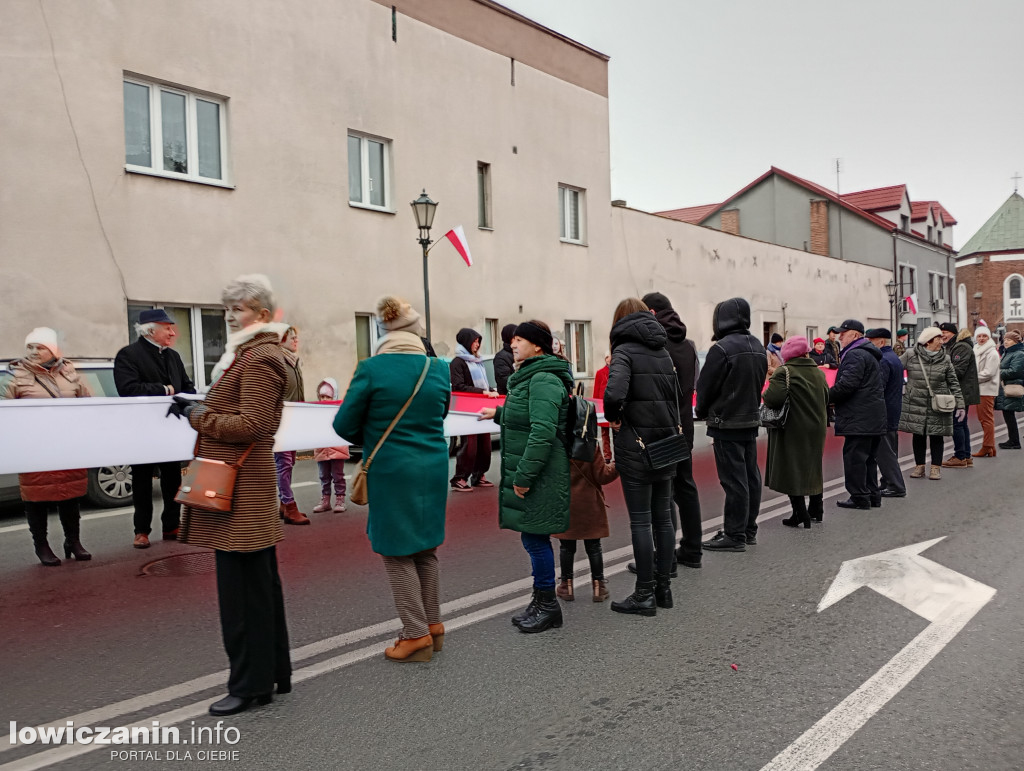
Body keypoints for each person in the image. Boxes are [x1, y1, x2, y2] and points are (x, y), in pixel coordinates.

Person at [169, 275, 293, 716]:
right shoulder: (253, 354)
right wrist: (200, 405)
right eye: (227, 310)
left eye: (237, 309)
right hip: (245, 486)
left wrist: (197, 414)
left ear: (261, 314)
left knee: (242, 594)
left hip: (241, 489)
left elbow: (254, 426)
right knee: (258, 587)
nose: (229, 317)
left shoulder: (258, 358)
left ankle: (250, 686)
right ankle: (273, 673)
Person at [333, 296, 451, 661]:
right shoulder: (439, 368)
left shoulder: (372, 369)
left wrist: (373, 429)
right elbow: (441, 412)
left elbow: (344, 426)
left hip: (391, 469)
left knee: (395, 551)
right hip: (432, 466)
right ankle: (433, 625)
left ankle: (415, 635)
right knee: (425, 548)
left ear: (384, 332)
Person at [478, 321, 573, 634]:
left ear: (538, 346)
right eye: (513, 339)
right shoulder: (530, 376)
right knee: (532, 536)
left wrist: (524, 476)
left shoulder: (543, 378)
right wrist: (498, 414)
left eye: (520, 340)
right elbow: (526, 416)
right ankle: (541, 599)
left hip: (541, 473)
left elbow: (543, 430)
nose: (514, 344)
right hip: (535, 471)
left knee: (536, 538)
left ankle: (547, 605)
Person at [603, 298, 680, 615]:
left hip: (636, 445)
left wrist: (614, 416)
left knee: (641, 521)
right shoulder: (662, 350)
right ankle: (663, 589)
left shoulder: (624, 351)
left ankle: (643, 593)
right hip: (666, 445)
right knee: (663, 519)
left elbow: (615, 392)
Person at [4, 328, 92, 566]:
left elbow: (87, 403)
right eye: (29, 347)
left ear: (52, 349)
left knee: (70, 496)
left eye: (39, 347)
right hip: (34, 446)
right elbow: (5, 411)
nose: (33, 352)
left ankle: (73, 541)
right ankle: (41, 545)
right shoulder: (16, 376)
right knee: (36, 497)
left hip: (67, 444)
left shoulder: (70, 373)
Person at [114, 309, 196, 548]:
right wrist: (165, 390)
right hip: (142, 430)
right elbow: (128, 389)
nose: (172, 332)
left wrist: (190, 397)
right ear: (150, 330)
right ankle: (141, 530)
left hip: (170, 428)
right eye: (167, 327)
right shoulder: (128, 355)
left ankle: (172, 525)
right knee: (142, 482)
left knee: (172, 479)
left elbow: (187, 387)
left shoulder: (174, 356)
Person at [696, 298, 767, 552]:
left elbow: (705, 387)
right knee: (750, 476)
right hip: (749, 419)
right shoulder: (758, 345)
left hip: (726, 422)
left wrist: (701, 411)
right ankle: (748, 529)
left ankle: (734, 534)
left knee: (734, 480)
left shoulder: (721, 349)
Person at [642, 291, 702, 570]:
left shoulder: (653, 343)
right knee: (685, 487)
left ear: (652, 313)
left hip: (660, 424)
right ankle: (692, 549)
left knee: (661, 491)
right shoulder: (688, 345)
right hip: (683, 424)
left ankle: (665, 558)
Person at [762, 336, 829, 527]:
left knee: (792, 468)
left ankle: (800, 514)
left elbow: (772, 398)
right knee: (813, 466)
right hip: (817, 426)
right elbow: (826, 397)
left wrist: (766, 393)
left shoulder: (784, 372)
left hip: (793, 427)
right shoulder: (818, 372)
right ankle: (817, 509)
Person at [829, 319, 887, 509]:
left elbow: (847, 385)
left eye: (843, 334)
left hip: (859, 416)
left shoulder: (855, 355)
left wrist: (826, 397)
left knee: (855, 458)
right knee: (868, 458)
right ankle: (872, 495)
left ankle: (859, 496)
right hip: (872, 415)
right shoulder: (869, 353)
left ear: (855, 335)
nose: (840, 337)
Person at [553, 442, 618, 603]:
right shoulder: (590, 444)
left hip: (564, 502)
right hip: (590, 503)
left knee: (566, 547)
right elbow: (603, 476)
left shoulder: (556, 444)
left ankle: (566, 585)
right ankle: (599, 586)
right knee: (594, 546)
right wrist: (617, 464)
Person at [899, 327, 965, 480]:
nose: (942, 341)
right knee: (918, 435)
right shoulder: (910, 355)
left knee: (937, 435)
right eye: (938, 339)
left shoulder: (946, 358)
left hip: (939, 403)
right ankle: (919, 466)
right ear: (928, 341)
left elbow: (953, 382)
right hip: (916, 401)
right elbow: (894, 369)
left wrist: (960, 404)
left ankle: (935, 468)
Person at [449, 328, 498, 491]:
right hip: (467, 410)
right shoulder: (458, 362)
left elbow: (482, 384)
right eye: (474, 341)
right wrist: (483, 392)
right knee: (469, 445)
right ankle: (460, 478)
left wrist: (490, 390)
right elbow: (458, 386)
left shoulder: (478, 361)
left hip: (481, 408)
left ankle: (479, 475)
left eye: (478, 341)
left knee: (485, 445)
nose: (477, 345)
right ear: (466, 341)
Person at [865, 329, 906, 499]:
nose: (868, 344)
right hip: (893, 408)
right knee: (890, 448)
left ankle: (896, 486)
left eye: (871, 341)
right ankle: (887, 482)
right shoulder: (893, 357)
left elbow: (878, 387)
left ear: (881, 342)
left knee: (884, 451)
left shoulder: (882, 360)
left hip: (884, 411)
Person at [275, 326, 310, 525]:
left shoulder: (294, 362)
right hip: (281, 422)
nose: (296, 340)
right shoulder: (278, 361)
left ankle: (283, 503)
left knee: (290, 463)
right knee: (284, 464)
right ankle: (289, 505)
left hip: (294, 420)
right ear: (281, 340)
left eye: (297, 337)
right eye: (292, 338)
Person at [940, 323, 980, 468]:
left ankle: (960, 456)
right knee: (961, 424)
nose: (943, 334)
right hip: (961, 391)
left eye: (945, 332)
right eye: (941, 332)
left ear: (953, 333)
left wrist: (939, 372)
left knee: (957, 424)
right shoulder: (953, 346)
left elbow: (957, 370)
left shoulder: (961, 347)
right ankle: (966, 455)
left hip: (961, 392)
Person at [312, 378, 349, 513]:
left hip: (337, 448)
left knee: (338, 475)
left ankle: (340, 499)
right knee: (324, 476)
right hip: (321, 449)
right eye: (322, 396)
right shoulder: (316, 411)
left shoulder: (339, 409)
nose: (324, 399)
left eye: (327, 396)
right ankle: (325, 500)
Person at [972, 326, 1000, 457]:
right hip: (980, 389)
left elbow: (988, 373)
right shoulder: (977, 350)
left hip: (986, 389)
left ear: (989, 337)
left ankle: (987, 446)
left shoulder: (991, 352)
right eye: (979, 336)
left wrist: (971, 379)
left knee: (986, 419)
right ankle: (990, 446)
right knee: (984, 419)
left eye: (984, 336)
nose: (981, 338)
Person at [995, 329, 1024, 450]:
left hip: (1013, 386)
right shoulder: (1009, 352)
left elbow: (1015, 371)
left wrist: (997, 372)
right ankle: (1013, 440)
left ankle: (1014, 441)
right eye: (1005, 339)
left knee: (1009, 414)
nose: (1006, 342)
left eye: (1009, 340)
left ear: (1016, 342)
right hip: (1007, 386)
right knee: (1008, 414)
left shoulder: (1019, 354)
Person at [592, 351, 612, 460]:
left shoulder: (618, 371)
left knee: (616, 431)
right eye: (608, 357)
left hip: (614, 405)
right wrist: (596, 406)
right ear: (606, 359)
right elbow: (596, 391)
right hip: (603, 406)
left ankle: (618, 456)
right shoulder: (600, 373)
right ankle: (607, 456)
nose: (610, 359)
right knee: (605, 433)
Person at [494, 323, 517, 396]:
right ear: (509, 338)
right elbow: (505, 381)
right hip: (506, 399)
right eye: (515, 338)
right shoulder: (501, 357)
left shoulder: (520, 354)